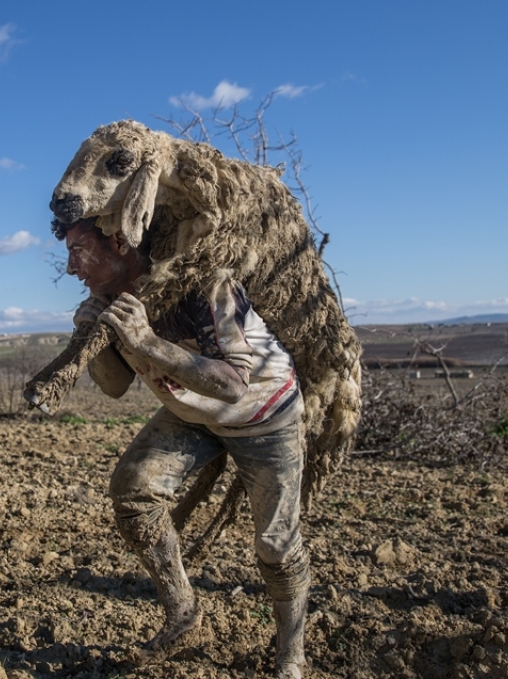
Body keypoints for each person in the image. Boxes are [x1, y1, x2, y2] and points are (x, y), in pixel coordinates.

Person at [62, 218, 311, 678]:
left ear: (118, 241)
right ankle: (183, 613)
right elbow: (115, 387)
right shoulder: (110, 304)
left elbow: (234, 385)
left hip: (263, 415)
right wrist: (92, 340)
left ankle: (290, 655)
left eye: (80, 249)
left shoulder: (202, 284)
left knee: (276, 545)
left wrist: (146, 340)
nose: (72, 266)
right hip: (191, 412)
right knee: (133, 489)